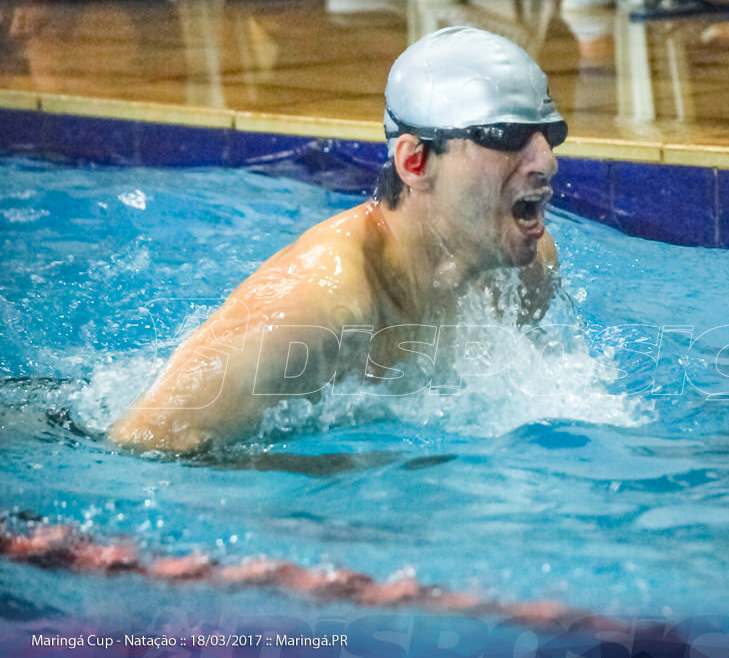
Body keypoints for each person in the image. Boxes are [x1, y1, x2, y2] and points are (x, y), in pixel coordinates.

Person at [110, 26, 567, 454]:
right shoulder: (314, 310)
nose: (547, 161)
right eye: (509, 137)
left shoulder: (524, 268)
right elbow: (143, 444)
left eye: (549, 134)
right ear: (415, 163)